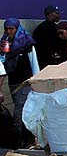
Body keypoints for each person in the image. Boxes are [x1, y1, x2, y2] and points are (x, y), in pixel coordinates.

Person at [0, 18, 37, 148]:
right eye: (7, 29)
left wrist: (35, 79)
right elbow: (2, 60)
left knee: (20, 111)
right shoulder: (5, 42)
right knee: (20, 108)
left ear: (17, 29)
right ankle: (25, 139)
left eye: (12, 29)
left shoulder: (26, 43)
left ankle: (22, 139)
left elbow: (34, 62)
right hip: (13, 82)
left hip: (25, 82)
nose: (9, 31)